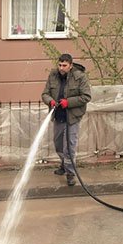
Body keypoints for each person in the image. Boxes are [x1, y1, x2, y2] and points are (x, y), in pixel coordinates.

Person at [41, 53, 92, 186]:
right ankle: (64, 166)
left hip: (72, 117)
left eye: (64, 65)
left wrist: (68, 102)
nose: (61, 68)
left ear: (70, 65)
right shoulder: (53, 75)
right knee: (59, 145)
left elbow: (86, 97)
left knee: (69, 147)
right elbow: (45, 94)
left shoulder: (80, 77)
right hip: (58, 117)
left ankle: (70, 173)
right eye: (59, 65)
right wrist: (50, 101)